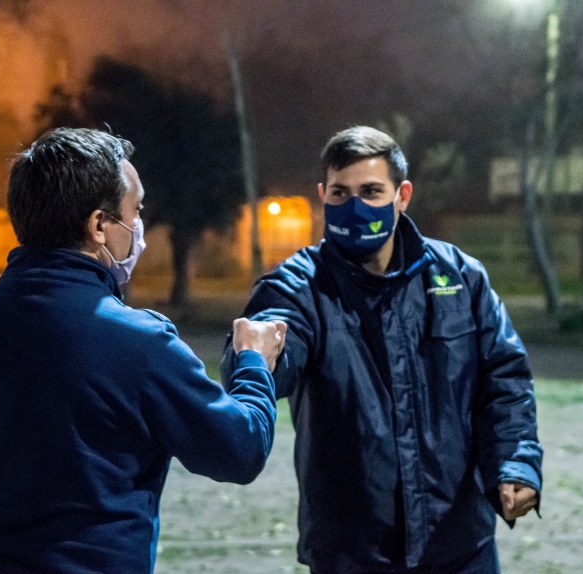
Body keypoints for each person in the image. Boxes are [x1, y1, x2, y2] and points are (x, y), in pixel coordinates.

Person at [0, 127, 286, 573]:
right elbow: (239, 448)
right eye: (136, 211)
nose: (139, 226)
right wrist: (253, 361)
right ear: (98, 226)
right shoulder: (140, 342)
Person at [221, 126, 542, 573]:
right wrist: (260, 357)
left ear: (403, 195)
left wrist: (515, 465)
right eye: (340, 193)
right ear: (322, 196)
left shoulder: (459, 278)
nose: (354, 207)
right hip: (352, 553)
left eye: (371, 191)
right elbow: (270, 345)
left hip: (460, 546)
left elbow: (504, 380)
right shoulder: (299, 286)